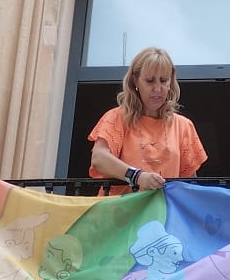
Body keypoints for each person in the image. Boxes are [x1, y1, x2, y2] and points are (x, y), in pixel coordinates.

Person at [86, 46, 207, 192]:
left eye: (164, 80)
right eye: (150, 81)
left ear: (171, 82)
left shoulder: (183, 126)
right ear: (135, 81)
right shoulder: (117, 117)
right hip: (122, 207)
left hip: (164, 207)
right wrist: (136, 176)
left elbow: (189, 183)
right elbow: (99, 158)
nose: (158, 88)